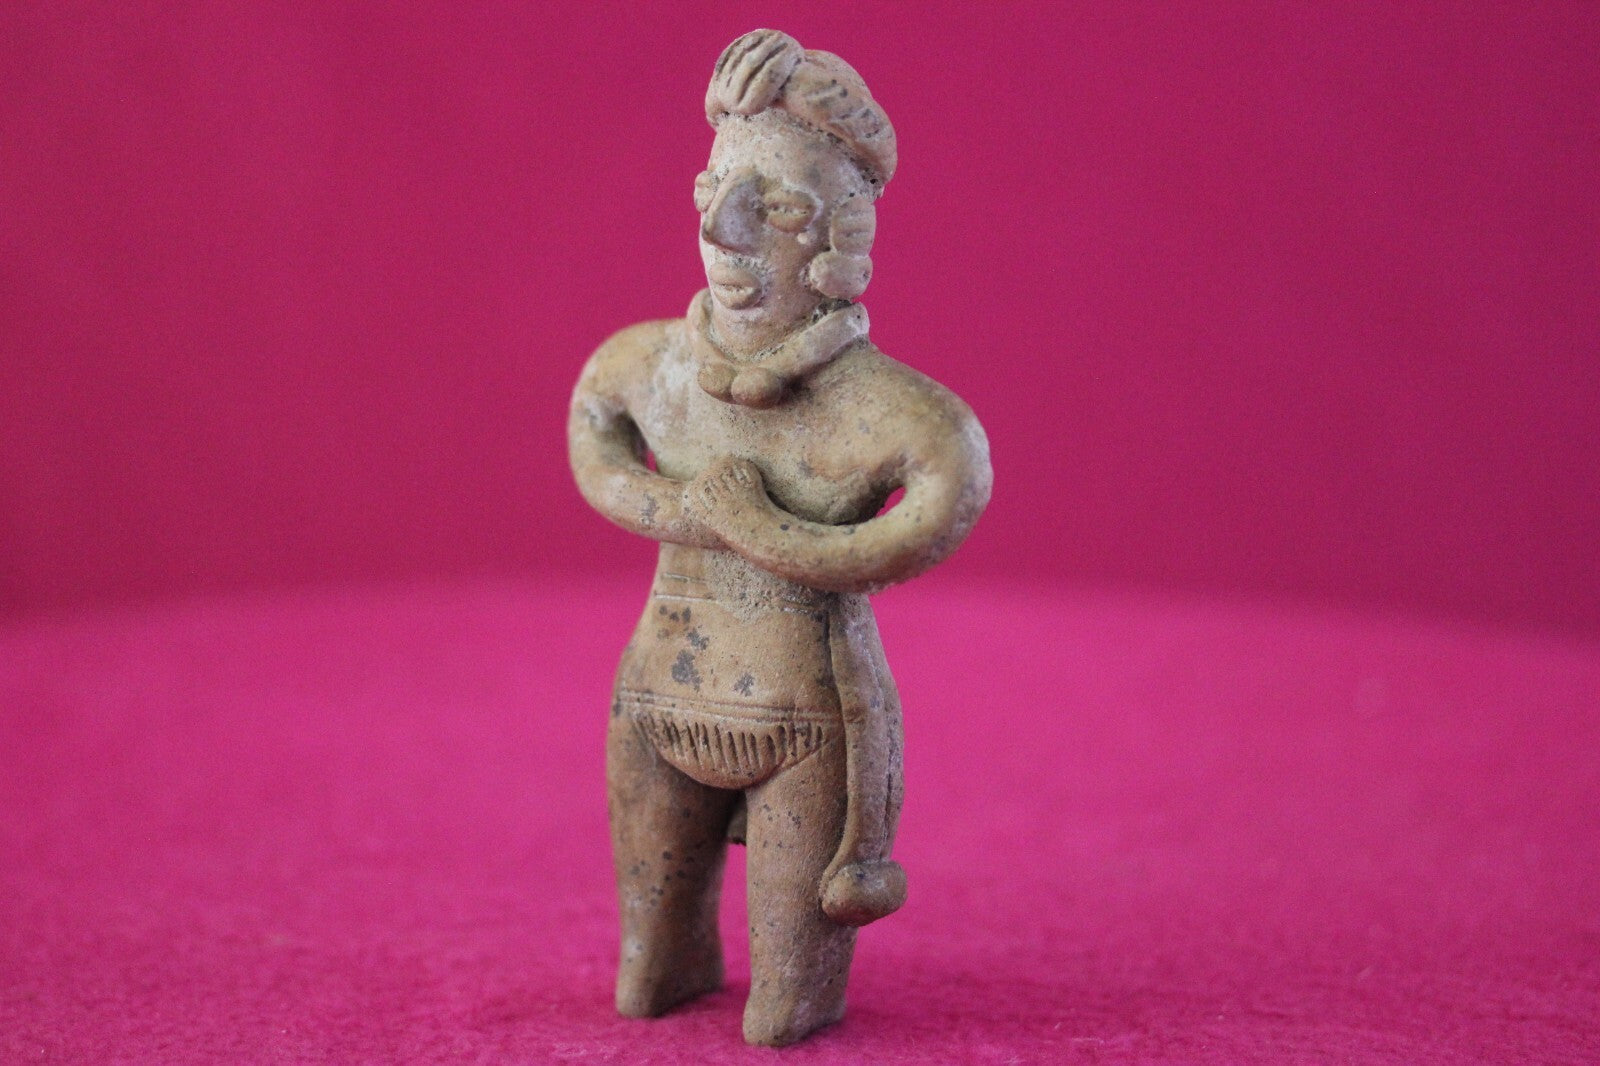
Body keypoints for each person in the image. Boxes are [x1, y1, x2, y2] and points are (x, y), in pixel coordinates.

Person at [568, 28, 992, 1047]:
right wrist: (684, 513)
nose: (727, 230)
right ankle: (672, 963)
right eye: (717, 189)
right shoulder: (649, 368)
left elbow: (941, 499)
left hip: (807, 720)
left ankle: (794, 994)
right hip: (657, 699)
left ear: (841, 238)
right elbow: (594, 431)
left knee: (785, 1004)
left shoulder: (885, 411)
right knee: (649, 970)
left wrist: (765, 531)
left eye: (781, 208)